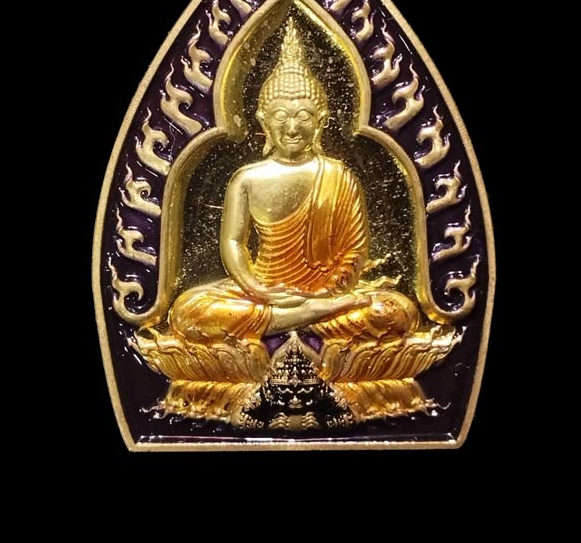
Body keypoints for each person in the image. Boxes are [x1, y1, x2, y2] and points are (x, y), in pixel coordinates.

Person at [169, 20, 419, 345]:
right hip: (264, 293)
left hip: (327, 294)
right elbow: (233, 242)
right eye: (280, 116)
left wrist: (327, 292)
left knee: (396, 312)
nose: (292, 127)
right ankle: (307, 316)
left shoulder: (339, 176)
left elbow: (355, 251)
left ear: (320, 122)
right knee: (188, 312)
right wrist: (258, 289)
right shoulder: (247, 179)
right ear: (264, 121)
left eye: (303, 116)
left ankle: (292, 318)